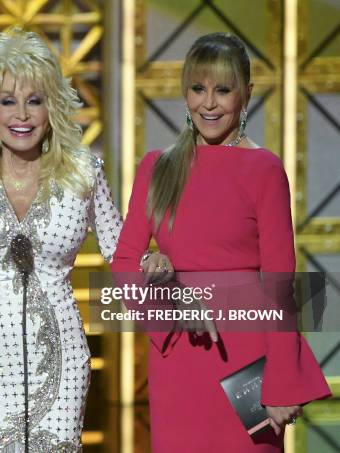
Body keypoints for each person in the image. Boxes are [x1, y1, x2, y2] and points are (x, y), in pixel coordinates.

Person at [0, 28, 170, 451]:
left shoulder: (83, 172)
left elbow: (121, 252)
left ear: (52, 106)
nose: (22, 115)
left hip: (61, 355)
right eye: (8, 101)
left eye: (34, 100)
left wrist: (154, 261)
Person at [112, 32, 331, 452]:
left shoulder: (263, 169)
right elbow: (124, 259)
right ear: (185, 92)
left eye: (223, 90)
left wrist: (283, 383)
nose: (208, 103)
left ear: (245, 94)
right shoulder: (158, 167)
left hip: (249, 362)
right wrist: (174, 304)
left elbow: (280, 283)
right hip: (178, 358)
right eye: (198, 88)